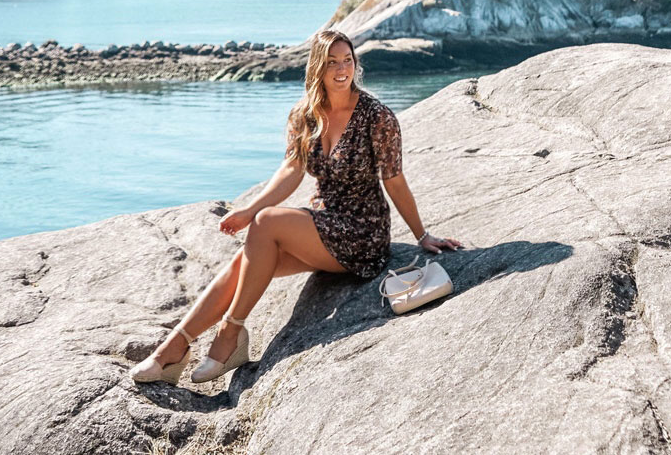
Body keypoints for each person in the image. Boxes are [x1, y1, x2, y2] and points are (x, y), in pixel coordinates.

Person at [130, 26, 461, 385]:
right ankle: (171, 351)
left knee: (266, 223)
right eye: (332, 62)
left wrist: (422, 235)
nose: (341, 70)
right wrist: (247, 209)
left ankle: (230, 334)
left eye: (347, 60)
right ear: (317, 67)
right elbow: (291, 170)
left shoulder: (377, 116)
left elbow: (394, 180)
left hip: (362, 235)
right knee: (245, 261)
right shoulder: (305, 115)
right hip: (322, 225)